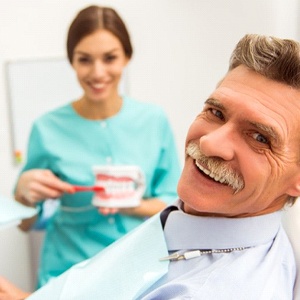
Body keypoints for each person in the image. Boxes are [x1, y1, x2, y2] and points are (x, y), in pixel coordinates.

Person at [2, 32, 299, 299]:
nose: (210, 143)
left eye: (260, 137)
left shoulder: (212, 286)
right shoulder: (200, 212)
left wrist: (131, 204)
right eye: (216, 112)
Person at [13, 5, 181, 289]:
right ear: (72, 62)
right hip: (66, 276)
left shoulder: (153, 121)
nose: (98, 72)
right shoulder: (47, 128)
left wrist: (132, 205)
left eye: (110, 58)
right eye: (85, 60)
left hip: (138, 273)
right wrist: (23, 195)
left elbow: (175, 205)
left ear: (127, 57)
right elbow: (26, 223)